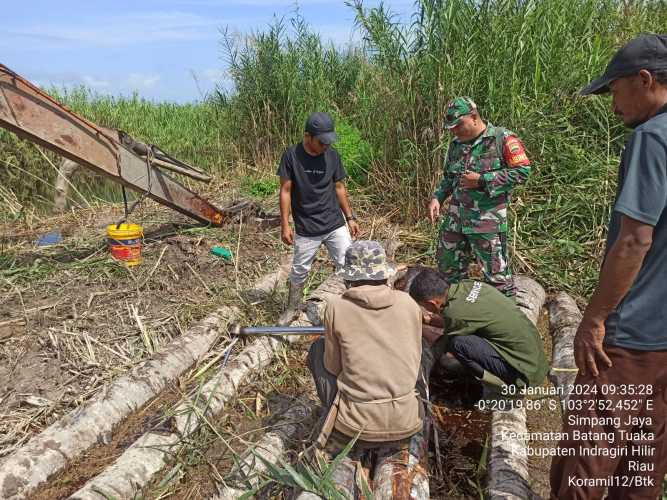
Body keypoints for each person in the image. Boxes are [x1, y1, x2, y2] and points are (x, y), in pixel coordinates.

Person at [550, 34, 667, 500]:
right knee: (643, 467)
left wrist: (594, 318)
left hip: (630, 339)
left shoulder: (651, 139)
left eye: (614, 89)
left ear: (644, 80)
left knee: (587, 461)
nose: (612, 102)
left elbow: (635, 239)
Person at [306, 240, 423, 449]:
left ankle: (334, 416)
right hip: (407, 422)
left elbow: (333, 367)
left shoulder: (336, 307)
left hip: (356, 429)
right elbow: (415, 356)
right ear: (385, 275)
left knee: (318, 349)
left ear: (349, 278)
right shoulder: (408, 304)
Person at [428, 97, 531, 298]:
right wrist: (437, 198)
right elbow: (449, 178)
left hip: (487, 222)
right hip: (456, 221)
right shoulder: (456, 145)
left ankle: (506, 321)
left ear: (474, 117)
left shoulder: (502, 138)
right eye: (451, 127)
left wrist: (483, 179)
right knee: (448, 273)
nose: (454, 131)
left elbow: (523, 171)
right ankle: (456, 315)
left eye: (458, 125)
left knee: (497, 278)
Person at [277, 112, 360, 325]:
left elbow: (339, 187)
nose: (325, 146)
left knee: (348, 263)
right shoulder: (291, 156)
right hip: (306, 226)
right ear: (308, 136)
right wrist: (285, 224)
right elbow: (286, 191)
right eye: (322, 142)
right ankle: (293, 307)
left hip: (334, 222)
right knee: (300, 270)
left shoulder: (332, 156)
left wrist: (350, 217)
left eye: (328, 142)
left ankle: (354, 306)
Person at [408, 267, 548, 392]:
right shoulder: (468, 286)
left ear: (432, 303)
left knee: (458, 344)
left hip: (524, 374)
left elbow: (443, 340)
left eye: (424, 307)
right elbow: (456, 321)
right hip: (537, 361)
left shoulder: (455, 312)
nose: (426, 311)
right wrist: (427, 320)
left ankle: (502, 387)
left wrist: (417, 328)